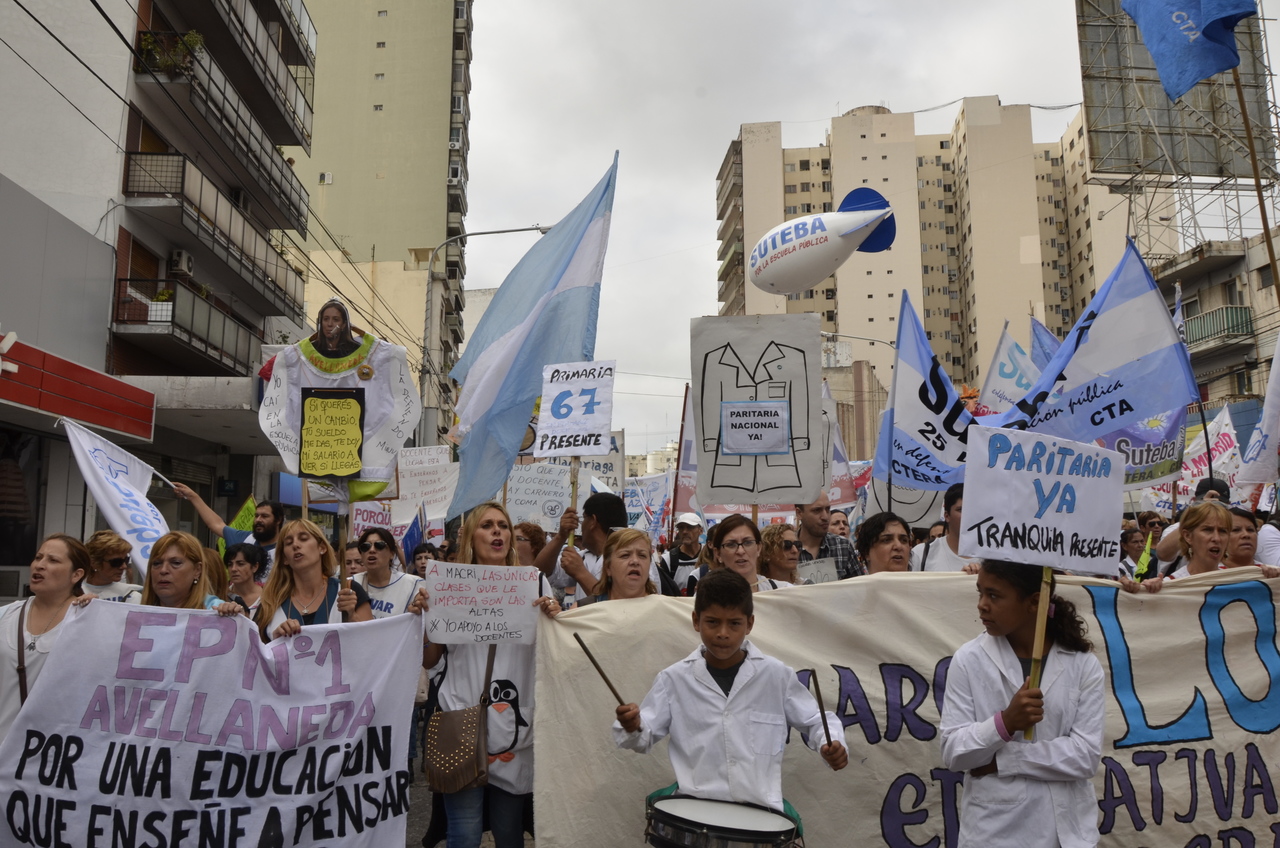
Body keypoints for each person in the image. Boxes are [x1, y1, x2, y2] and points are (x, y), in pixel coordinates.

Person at [613, 569, 847, 829]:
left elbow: (816, 720)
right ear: (696, 621)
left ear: (749, 624)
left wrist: (830, 743)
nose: (723, 633)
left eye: (734, 623)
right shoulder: (673, 680)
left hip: (760, 819)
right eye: (712, 622)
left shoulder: (776, 675)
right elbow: (642, 738)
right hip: (695, 817)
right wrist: (633, 725)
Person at [422, 501, 560, 848]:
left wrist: (553, 617)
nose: (497, 531)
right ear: (471, 536)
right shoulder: (446, 584)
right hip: (460, 717)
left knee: (509, 832)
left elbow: (553, 652)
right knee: (465, 833)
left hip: (514, 726)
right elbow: (429, 658)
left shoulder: (534, 582)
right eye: (486, 525)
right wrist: (422, 618)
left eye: (503, 525)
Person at [939, 560, 1104, 848]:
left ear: (1035, 602)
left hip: (1066, 834)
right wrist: (1004, 723)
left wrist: (1002, 760)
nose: (982, 605)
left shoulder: (1083, 664)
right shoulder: (968, 660)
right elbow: (954, 753)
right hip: (995, 834)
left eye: (994, 595)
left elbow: (1085, 756)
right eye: (980, 593)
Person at [0, 535, 94, 744]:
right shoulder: (6, 615)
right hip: (4, 748)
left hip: (55, 753)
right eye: (38, 557)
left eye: (53, 560)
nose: (40, 565)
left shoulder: (89, 619)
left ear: (76, 574)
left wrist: (102, 613)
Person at [535, 492, 665, 606]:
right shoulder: (584, 557)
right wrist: (561, 536)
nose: (580, 526)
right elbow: (539, 573)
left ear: (593, 521)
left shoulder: (639, 562)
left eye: (584, 518)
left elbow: (626, 605)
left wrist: (580, 573)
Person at [257, 519, 373, 639]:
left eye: (303, 539)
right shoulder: (270, 601)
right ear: (285, 558)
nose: (295, 545)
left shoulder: (348, 590)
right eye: (288, 543)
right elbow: (256, 647)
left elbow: (371, 642)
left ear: (322, 548)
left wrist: (352, 617)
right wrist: (275, 642)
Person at [170, 483, 284, 577]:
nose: (258, 520)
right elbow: (216, 524)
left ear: (278, 520)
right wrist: (193, 497)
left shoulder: (286, 550)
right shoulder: (245, 539)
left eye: (264, 516)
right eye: (256, 516)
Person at [129, 531, 243, 615]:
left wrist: (236, 619)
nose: (163, 570)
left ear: (197, 570)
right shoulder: (132, 610)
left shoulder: (216, 611)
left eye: (176, 563)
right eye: (156, 563)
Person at [1153, 478, 1229, 566]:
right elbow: (1162, 554)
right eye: (1204, 503)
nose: (1213, 507)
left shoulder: (1233, 527)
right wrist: (1196, 515)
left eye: (1220, 503)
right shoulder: (1177, 528)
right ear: (1194, 501)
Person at [352, 527, 424, 618]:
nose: (372, 550)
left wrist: (418, 607)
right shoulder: (349, 584)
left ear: (392, 554)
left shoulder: (414, 585)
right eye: (365, 546)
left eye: (379, 545)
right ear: (361, 555)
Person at [709, 514, 790, 591]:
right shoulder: (707, 596)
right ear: (718, 553)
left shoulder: (783, 591)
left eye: (748, 543)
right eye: (731, 545)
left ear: (758, 548)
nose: (740, 551)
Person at [910, 484, 979, 573]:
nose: (967, 515)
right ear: (947, 516)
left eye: (972, 510)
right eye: (960, 510)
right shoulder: (921, 553)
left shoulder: (992, 556)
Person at [795, 491, 863, 578]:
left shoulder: (842, 545)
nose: (825, 517)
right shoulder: (785, 548)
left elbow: (859, 584)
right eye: (817, 510)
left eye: (827, 509)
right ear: (799, 513)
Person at [591, 529, 658, 601]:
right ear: (608, 567)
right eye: (625, 555)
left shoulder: (663, 606)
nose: (635, 561)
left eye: (642, 555)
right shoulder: (588, 607)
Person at [83, 529, 141, 602]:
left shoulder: (131, 594)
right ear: (94, 563)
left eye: (126, 560)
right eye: (116, 562)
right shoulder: (74, 592)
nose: (124, 566)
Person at [659, 512, 705, 595]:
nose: (684, 532)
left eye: (690, 527)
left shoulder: (710, 555)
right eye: (681, 528)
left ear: (700, 531)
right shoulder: (668, 559)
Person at [225, 543, 265, 612]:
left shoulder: (268, 598)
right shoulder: (222, 596)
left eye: (240, 564)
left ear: (255, 567)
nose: (233, 569)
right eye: (230, 564)